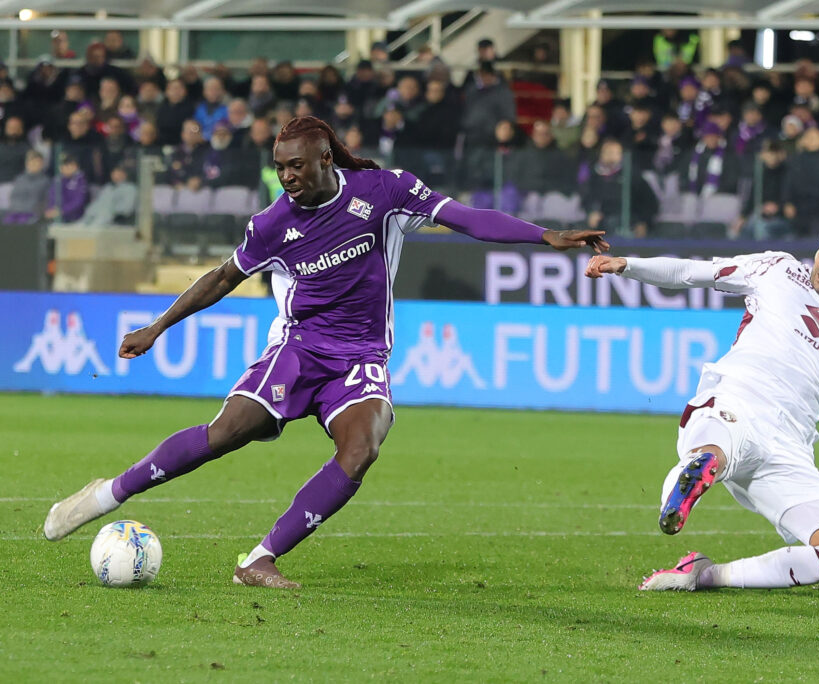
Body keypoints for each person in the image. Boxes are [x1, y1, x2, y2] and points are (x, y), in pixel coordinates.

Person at [42, 115, 609, 588]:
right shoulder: (271, 225)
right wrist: (158, 325)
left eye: (296, 166)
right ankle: (109, 493)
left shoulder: (385, 192)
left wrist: (545, 236)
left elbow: (466, 219)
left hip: (360, 358)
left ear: (324, 160)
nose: (287, 177)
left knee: (361, 448)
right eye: (280, 167)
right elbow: (221, 278)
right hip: (299, 348)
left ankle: (259, 559)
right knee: (228, 433)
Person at [583, 214, 819, 593]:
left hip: (788, 449)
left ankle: (704, 575)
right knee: (714, 451)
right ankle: (694, 479)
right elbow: (692, 272)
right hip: (735, 403)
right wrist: (626, 265)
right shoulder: (778, 269)